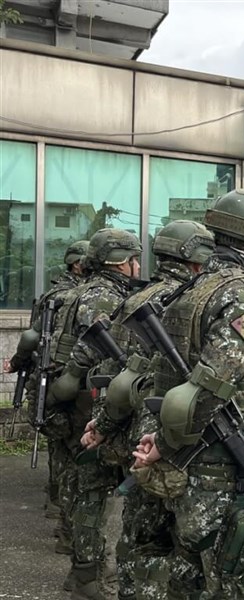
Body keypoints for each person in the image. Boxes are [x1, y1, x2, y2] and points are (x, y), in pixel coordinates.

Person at [132, 189, 244, 599]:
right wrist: (164, 443)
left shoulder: (191, 290)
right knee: (233, 573)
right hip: (223, 459)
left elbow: (161, 379)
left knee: (189, 569)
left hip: (190, 453)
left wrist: (158, 438)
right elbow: (213, 384)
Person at [80, 220, 215, 600]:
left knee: (141, 538)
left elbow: (115, 375)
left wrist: (104, 425)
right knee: (189, 547)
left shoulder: (133, 302)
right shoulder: (206, 302)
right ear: (197, 258)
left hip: (138, 438)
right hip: (190, 444)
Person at [47, 228, 142, 599]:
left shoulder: (78, 292)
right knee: (91, 490)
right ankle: (87, 575)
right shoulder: (104, 297)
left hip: (80, 398)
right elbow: (96, 350)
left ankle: (83, 571)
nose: (138, 267)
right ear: (123, 261)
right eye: (135, 259)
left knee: (83, 486)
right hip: (92, 400)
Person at [6, 240, 89, 553]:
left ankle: (57, 499)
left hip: (53, 378)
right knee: (70, 449)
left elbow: (30, 337)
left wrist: (18, 363)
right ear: (77, 264)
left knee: (60, 446)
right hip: (65, 379)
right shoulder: (76, 296)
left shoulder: (56, 295)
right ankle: (63, 507)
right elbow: (33, 336)